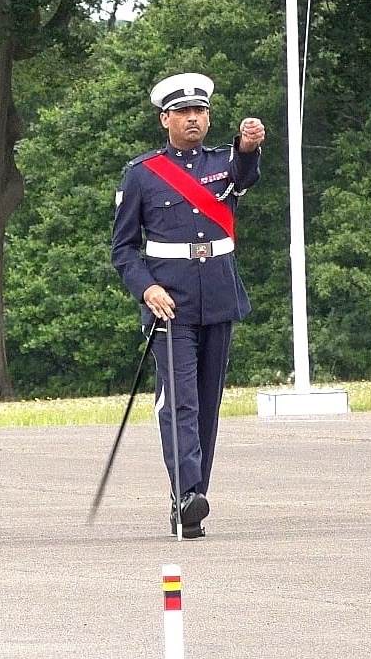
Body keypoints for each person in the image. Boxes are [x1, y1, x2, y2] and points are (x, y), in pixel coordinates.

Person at [110, 73, 264, 539]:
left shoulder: (223, 162)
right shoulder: (142, 173)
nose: (193, 119)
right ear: (166, 120)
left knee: (207, 405)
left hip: (217, 297)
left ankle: (193, 500)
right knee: (180, 404)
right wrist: (146, 289)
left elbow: (244, 174)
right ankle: (186, 492)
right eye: (183, 113)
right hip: (169, 302)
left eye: (199, 112)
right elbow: (123, 249)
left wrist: (249, 146)